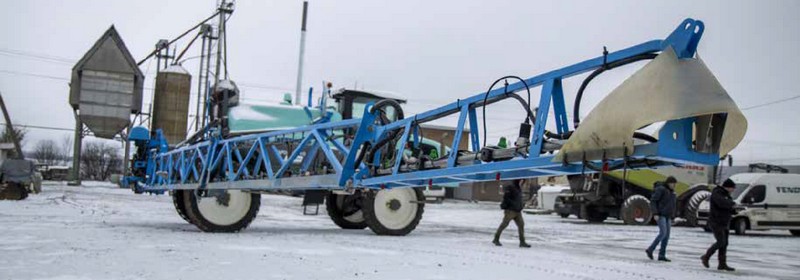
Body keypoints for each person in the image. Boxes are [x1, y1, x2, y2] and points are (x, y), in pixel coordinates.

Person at [701, 179, 737, 271]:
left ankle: (722, 264)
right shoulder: (717, 193)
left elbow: (727, 207)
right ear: (728, 187)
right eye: (733, 188)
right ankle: (706, 256)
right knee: (721, 242)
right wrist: (732, 204)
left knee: (725, 243)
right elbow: (721, 203)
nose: (733, 190)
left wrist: (734, 210)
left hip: (724, 222)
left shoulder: (726, 195)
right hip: (716, 221)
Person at [493, 179, 531, 248]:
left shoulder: (518, 188)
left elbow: (518, 199)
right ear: (518, 181)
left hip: (517, 211)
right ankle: (496, 239)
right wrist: (513, 204)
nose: (522, 182)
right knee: (504, 225)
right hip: (510, 210)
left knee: (521, 225)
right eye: (522, 181)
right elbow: (506, 198)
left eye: (523, 181)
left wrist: (521, 205)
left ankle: (522, 242)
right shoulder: (511, 187)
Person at [646, 176, 677, 262]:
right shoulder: (661, 189)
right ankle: (650, 249)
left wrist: (673, 216)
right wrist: (655, 213)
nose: (674, 185)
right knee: (663, 233)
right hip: (661, 215)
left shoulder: (672, 192)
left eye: (675, 184)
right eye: (673, 184)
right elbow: (653, 201)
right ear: (668, 183)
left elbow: (672, 205)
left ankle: (662, 255)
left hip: (668, 216)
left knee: (666, 236)